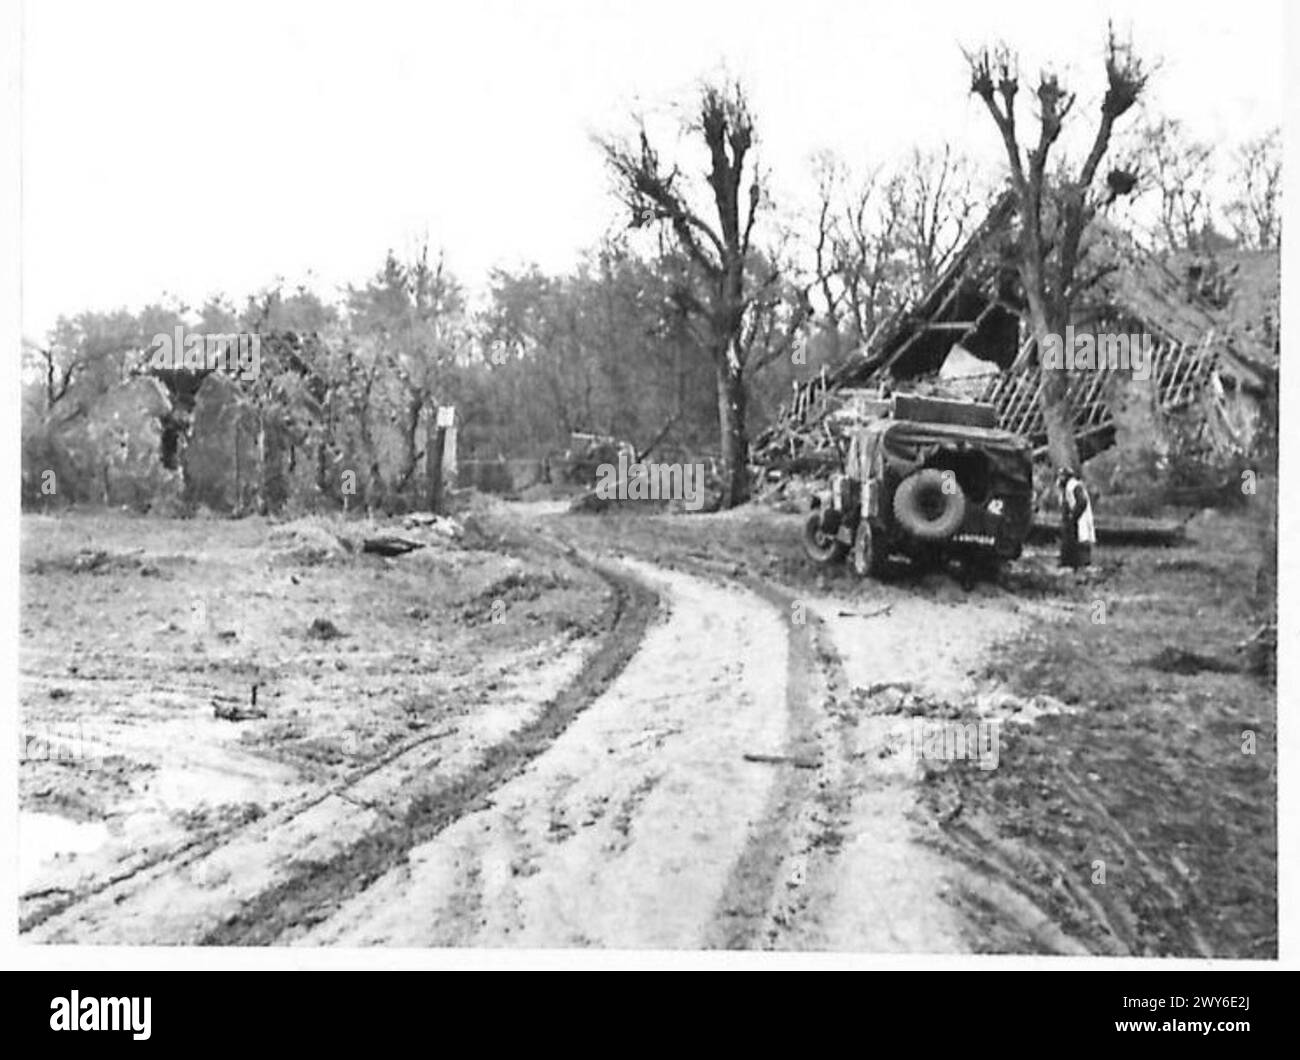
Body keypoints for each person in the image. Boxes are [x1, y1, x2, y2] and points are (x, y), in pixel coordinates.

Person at [1057, 467, 1095, 569]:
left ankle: (1080, 565)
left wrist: (1073, 515)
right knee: (1070, 541)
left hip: (1079, 520)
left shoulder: (1074, 486)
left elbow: (1082, 502)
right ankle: (1069, 563)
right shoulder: (1067, 487)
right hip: (1073, 521)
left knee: (1081, 541)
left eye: (1061, 476)